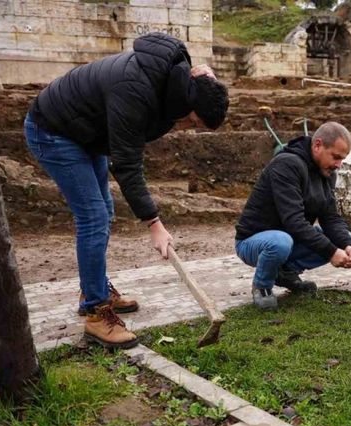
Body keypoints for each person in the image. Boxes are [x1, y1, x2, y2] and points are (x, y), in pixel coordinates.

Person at [24, 32, 229, 349]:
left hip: (87, 131)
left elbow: (195, 70)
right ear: (188, 101)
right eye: (193, 120)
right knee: (92, 216)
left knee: (103, 211)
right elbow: (128, 166)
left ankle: (94, 288)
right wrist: (155, 225)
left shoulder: (177, 80)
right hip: (54, 130)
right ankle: (96, 314)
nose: (189, 126)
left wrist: (207, 84)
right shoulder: (136, 91)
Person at [234, 122, 351, 310]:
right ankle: (262, 286)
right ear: (317, 145)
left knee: (344, 238)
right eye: (336, 157)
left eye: (342, 159)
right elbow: (294, 221)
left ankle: (285, 273)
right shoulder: (286, 165)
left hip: (290, 239)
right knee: (280, 242)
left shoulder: (326, 173)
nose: (338, 165)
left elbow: (330, 218)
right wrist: (331, 252)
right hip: (253, 241)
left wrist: (345, 245)